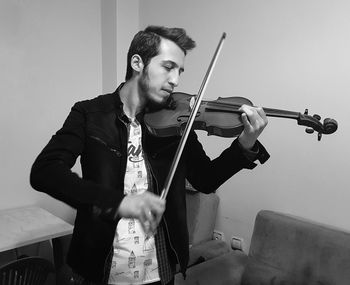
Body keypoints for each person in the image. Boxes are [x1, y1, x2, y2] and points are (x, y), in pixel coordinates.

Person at [30, 26, 269, 285]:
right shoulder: (90, 114)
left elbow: (205, 179)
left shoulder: (176, 122)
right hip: (100, 267)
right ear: (137, 63)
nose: (175, 80)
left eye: (180, 71)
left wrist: (245, 142)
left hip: (160, 270)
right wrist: (115, 202)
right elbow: (46, 171)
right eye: (168, 67)